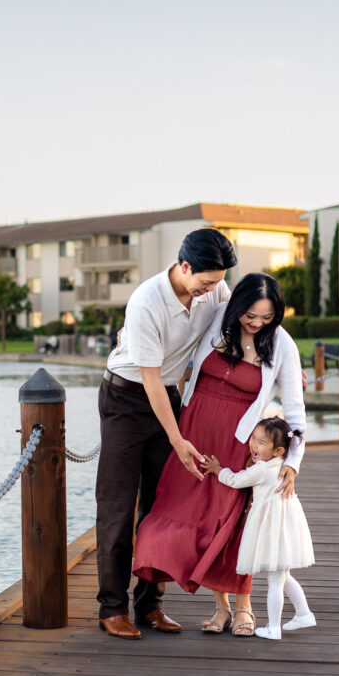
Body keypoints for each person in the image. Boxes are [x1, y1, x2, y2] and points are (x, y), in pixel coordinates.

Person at [132, 272, 305, 637]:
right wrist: (128, 334)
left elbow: (295, 412)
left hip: (239, 445)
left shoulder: (282, 345)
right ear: (238, 306)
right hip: (193, 438)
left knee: (231, 525)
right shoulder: (217, 316)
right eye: (251, 316)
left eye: (267, 317)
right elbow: (171, 331)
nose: (257, 323)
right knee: (186, 516)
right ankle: (221, 607)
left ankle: (244, 607)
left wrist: (291, 463)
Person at [96, 228, 237, 640]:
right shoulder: (146, 302)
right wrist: (177, 439)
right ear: (184, 266)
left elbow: (245, 323)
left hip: (167, 398)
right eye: (206, 282)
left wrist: (286, 361)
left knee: (162, 507)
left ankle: (150, 605)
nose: (212, 290)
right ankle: (111, 608)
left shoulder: (215, 287)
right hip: (126, 400)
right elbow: (151, 380)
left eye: (218, 282)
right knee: (118, 507)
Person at [205, 416, 315, 640]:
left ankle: (274, 627)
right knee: (283, 575)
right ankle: (304, 613)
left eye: (261, 442)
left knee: (276, 579)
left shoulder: (262, 469)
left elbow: (236, 480)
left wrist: (217, 470)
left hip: (272, 527)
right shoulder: (282, 467)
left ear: (278, 450)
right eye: (253, 438)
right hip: (286, 525)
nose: (254, 444)